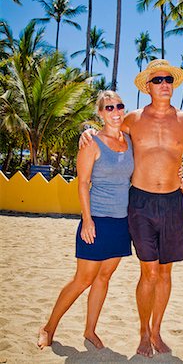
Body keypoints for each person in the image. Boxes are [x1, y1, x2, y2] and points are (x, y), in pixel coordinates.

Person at [80, 59, 183, 358]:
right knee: (149, 273)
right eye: (158, 80)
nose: (164, 83)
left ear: (174, 83)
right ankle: (143, 332)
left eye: (168, 79)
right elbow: (109, 130)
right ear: (148, 86)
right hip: (139, 202)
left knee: (165, 273)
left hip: (172, 202)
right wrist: (87, 131)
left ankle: (157, 331)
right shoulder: (132, 119)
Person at [37, 90, 134, 350]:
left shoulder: (130, 140)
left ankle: (90, 331)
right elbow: (83, 183)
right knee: (83, 279)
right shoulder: (92, 142)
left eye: (119, 106)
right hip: (97, 220)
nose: (115, 112)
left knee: (104, 278)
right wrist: (87, 220)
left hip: (121, 222)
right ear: (100, 113)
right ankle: (49, 327)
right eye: (108, 108)